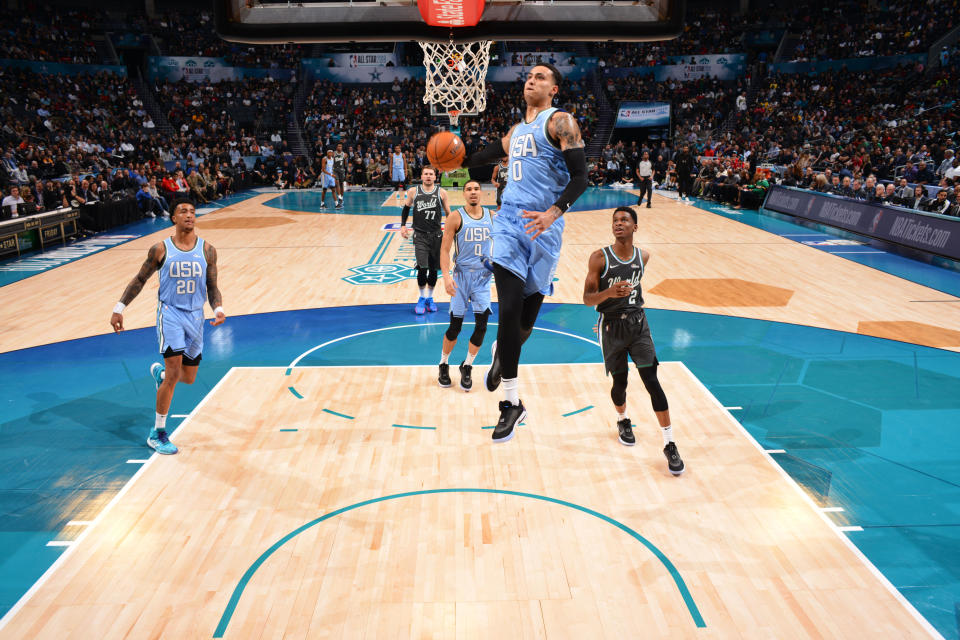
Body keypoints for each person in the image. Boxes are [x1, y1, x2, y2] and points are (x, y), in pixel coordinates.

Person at [459, 63, 588, 443]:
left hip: (545, 228)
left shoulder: (560, 122)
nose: (531, 80)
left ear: (553, 90)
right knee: (509, 309)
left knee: (524, 324)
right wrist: (456, 159)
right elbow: (482, 156)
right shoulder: (515, 133)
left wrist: (553, 212)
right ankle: (512, 403)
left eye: (541, 77)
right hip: (509, 223)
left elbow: (581, 177)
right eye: (529, 76)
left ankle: (504, 350)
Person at [109, 199, 225, 455]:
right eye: (183, 211)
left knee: (189, 378)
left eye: (193, 212)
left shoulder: (208, 250)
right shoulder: (160, 249)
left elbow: (212, 286)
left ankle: (162, 377)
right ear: (173, 217)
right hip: (170, 313)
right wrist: (119, 308)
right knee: (174, 373)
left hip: (196, 316)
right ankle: (157, 433)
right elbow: (140, 279)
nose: (189, 215)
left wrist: (217, 308)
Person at [582, 206, 683, 474]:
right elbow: (587, 299)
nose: (619, 223)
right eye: (615, 220)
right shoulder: (599, 258)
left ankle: (669, 444)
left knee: (652, 381)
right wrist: (609, 293)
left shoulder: (643, 256)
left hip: (639, 324)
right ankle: (622, 419)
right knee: (620, 382)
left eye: (624, 220)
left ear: (634, 227)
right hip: (611, 329)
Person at [438, 180, 494, 390]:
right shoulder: (456, 217)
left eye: (476, 189)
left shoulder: (492, 217)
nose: (473, 192)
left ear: (482, 193)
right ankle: (443, 364)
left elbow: (506, 242)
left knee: (482, 326)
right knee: (455, 327)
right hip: (461, 277)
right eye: (469, 189)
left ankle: (467, 366)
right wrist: (446, 276)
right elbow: (444, 250)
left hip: (483, 279)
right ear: (463, 194)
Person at [400, 166, 452, 314]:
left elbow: (449, 213)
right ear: (421, 176)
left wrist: (453, 229)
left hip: (436, 235)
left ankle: (430, 297)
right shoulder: (413, 191)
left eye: (431, 174)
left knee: (434, 269)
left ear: (435, 177)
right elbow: (406, 209)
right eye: (426, 174)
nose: (428, 176)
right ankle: (422, 297)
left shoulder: (441, 193)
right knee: (422, 268)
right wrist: (403, 226)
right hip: (420, 235)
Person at [333, 142, 347, 208]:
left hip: (342, 170)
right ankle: (339, 196)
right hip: (335, 170)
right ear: (336, 147)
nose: (339, 147)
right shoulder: (333, 153)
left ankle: (341, 198)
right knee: (337, 183)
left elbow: (345, 164)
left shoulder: (344, 154)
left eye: (341, 146)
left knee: (341, 184)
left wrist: (345, 170)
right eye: (338, 146)